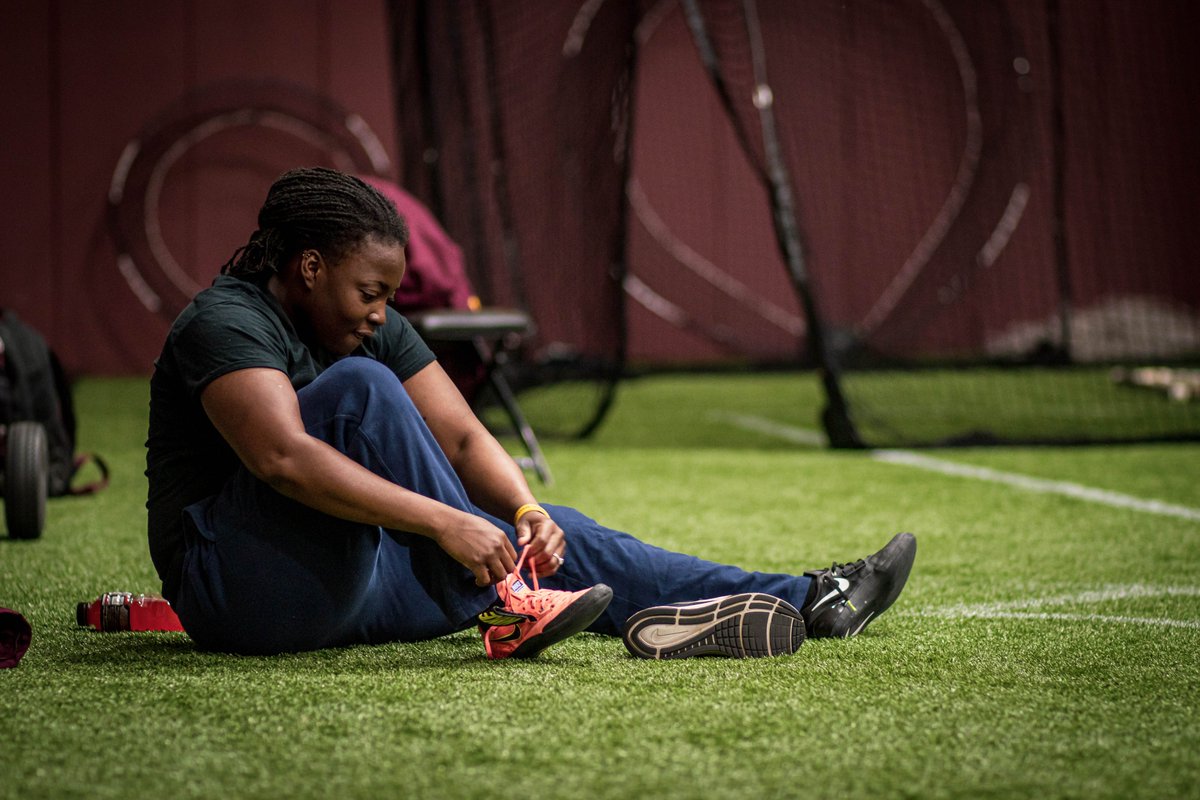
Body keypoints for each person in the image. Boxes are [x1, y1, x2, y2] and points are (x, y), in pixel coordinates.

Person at [145, 167, 916, 660]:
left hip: (347, 587)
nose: (382, 314)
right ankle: (510, 602)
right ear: (309, 269)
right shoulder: (226, 321)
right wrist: (446, 524)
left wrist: (522, 507)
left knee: (552, 535)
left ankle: (812, 598)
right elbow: (281, 456)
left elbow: (459, 433)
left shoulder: (369, 324)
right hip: (237, 594)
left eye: (388, 296)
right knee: (362, 391)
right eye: (369, 293)